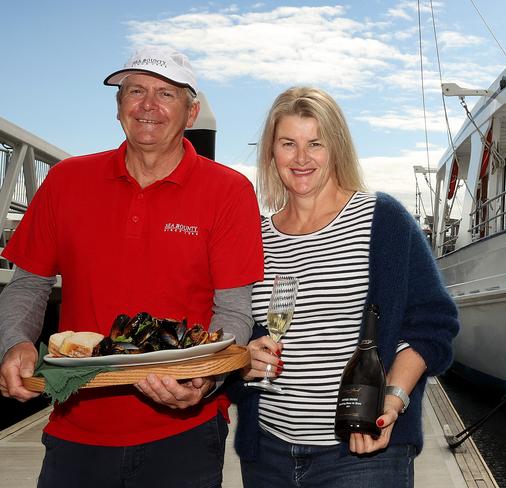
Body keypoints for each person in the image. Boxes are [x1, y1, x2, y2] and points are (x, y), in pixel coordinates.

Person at [0, 46, 263, 488]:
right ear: (119, 107)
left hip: (186, 432)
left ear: (191, 112)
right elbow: (29, 284)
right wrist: (14, 343)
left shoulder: (229, 191)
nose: (148, 105)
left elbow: (234, 310)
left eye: (166, 94)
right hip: (75, 425)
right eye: (134, 91)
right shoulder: (66, 181)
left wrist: (205, 381)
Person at [229, 86, 459, 487]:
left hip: (361, 453)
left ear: (336, 148)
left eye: (315, 143)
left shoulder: (381, 218)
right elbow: (236, 331)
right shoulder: (254, 237)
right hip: (268, 453)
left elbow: (432, 326)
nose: (301, 158)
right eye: (288, 143)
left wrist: (393, 398)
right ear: (271, 152)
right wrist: (243, 359)